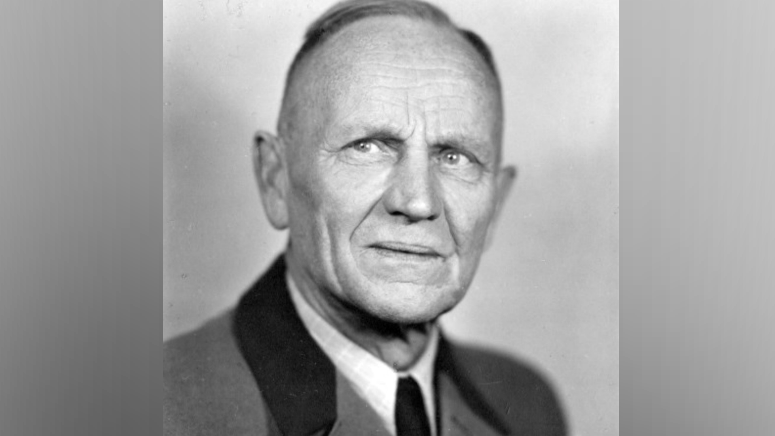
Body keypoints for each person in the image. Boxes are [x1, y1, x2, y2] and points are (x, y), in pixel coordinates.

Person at [164, 1, 567, 435]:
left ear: (495, 206)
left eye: (455, 157)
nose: (417, 202)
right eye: (367, 147)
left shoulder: (525, 406)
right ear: (275, 178)